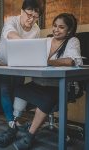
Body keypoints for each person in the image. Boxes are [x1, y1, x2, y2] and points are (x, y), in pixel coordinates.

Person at [13, 13, 83, 150]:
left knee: (46, 99)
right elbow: (35, 57)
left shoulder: (72, 41)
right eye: (55, 26)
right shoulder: (46, 41)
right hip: (41, 83)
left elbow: (73, 60)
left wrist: (48, 62)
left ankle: (29, 136)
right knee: (19, 90)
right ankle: (14, 124)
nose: (56, 29)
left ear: (69, 30)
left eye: (61, 27)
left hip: (61, 85)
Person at [0, 0, 42, 148]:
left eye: (35, 17)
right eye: (29, 15)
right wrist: (25, 44)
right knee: (5, 90)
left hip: (21, 64)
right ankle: (12, 125)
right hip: (3, 62)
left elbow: (35, 48)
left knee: (19, 92)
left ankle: (14, 121)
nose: (31, 19)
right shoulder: (11, 21)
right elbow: (11, 34)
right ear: (21, 11)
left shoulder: (36, 29)